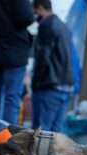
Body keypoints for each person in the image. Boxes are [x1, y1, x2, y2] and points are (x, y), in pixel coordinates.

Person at [31, 0, 74, 132]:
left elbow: (43, 57)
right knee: (56, 133)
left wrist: (35, 81)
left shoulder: (46, 25)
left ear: (39, 8)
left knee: (41, 133)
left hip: (50, 86)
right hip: (66, 85)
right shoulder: (64, 26)